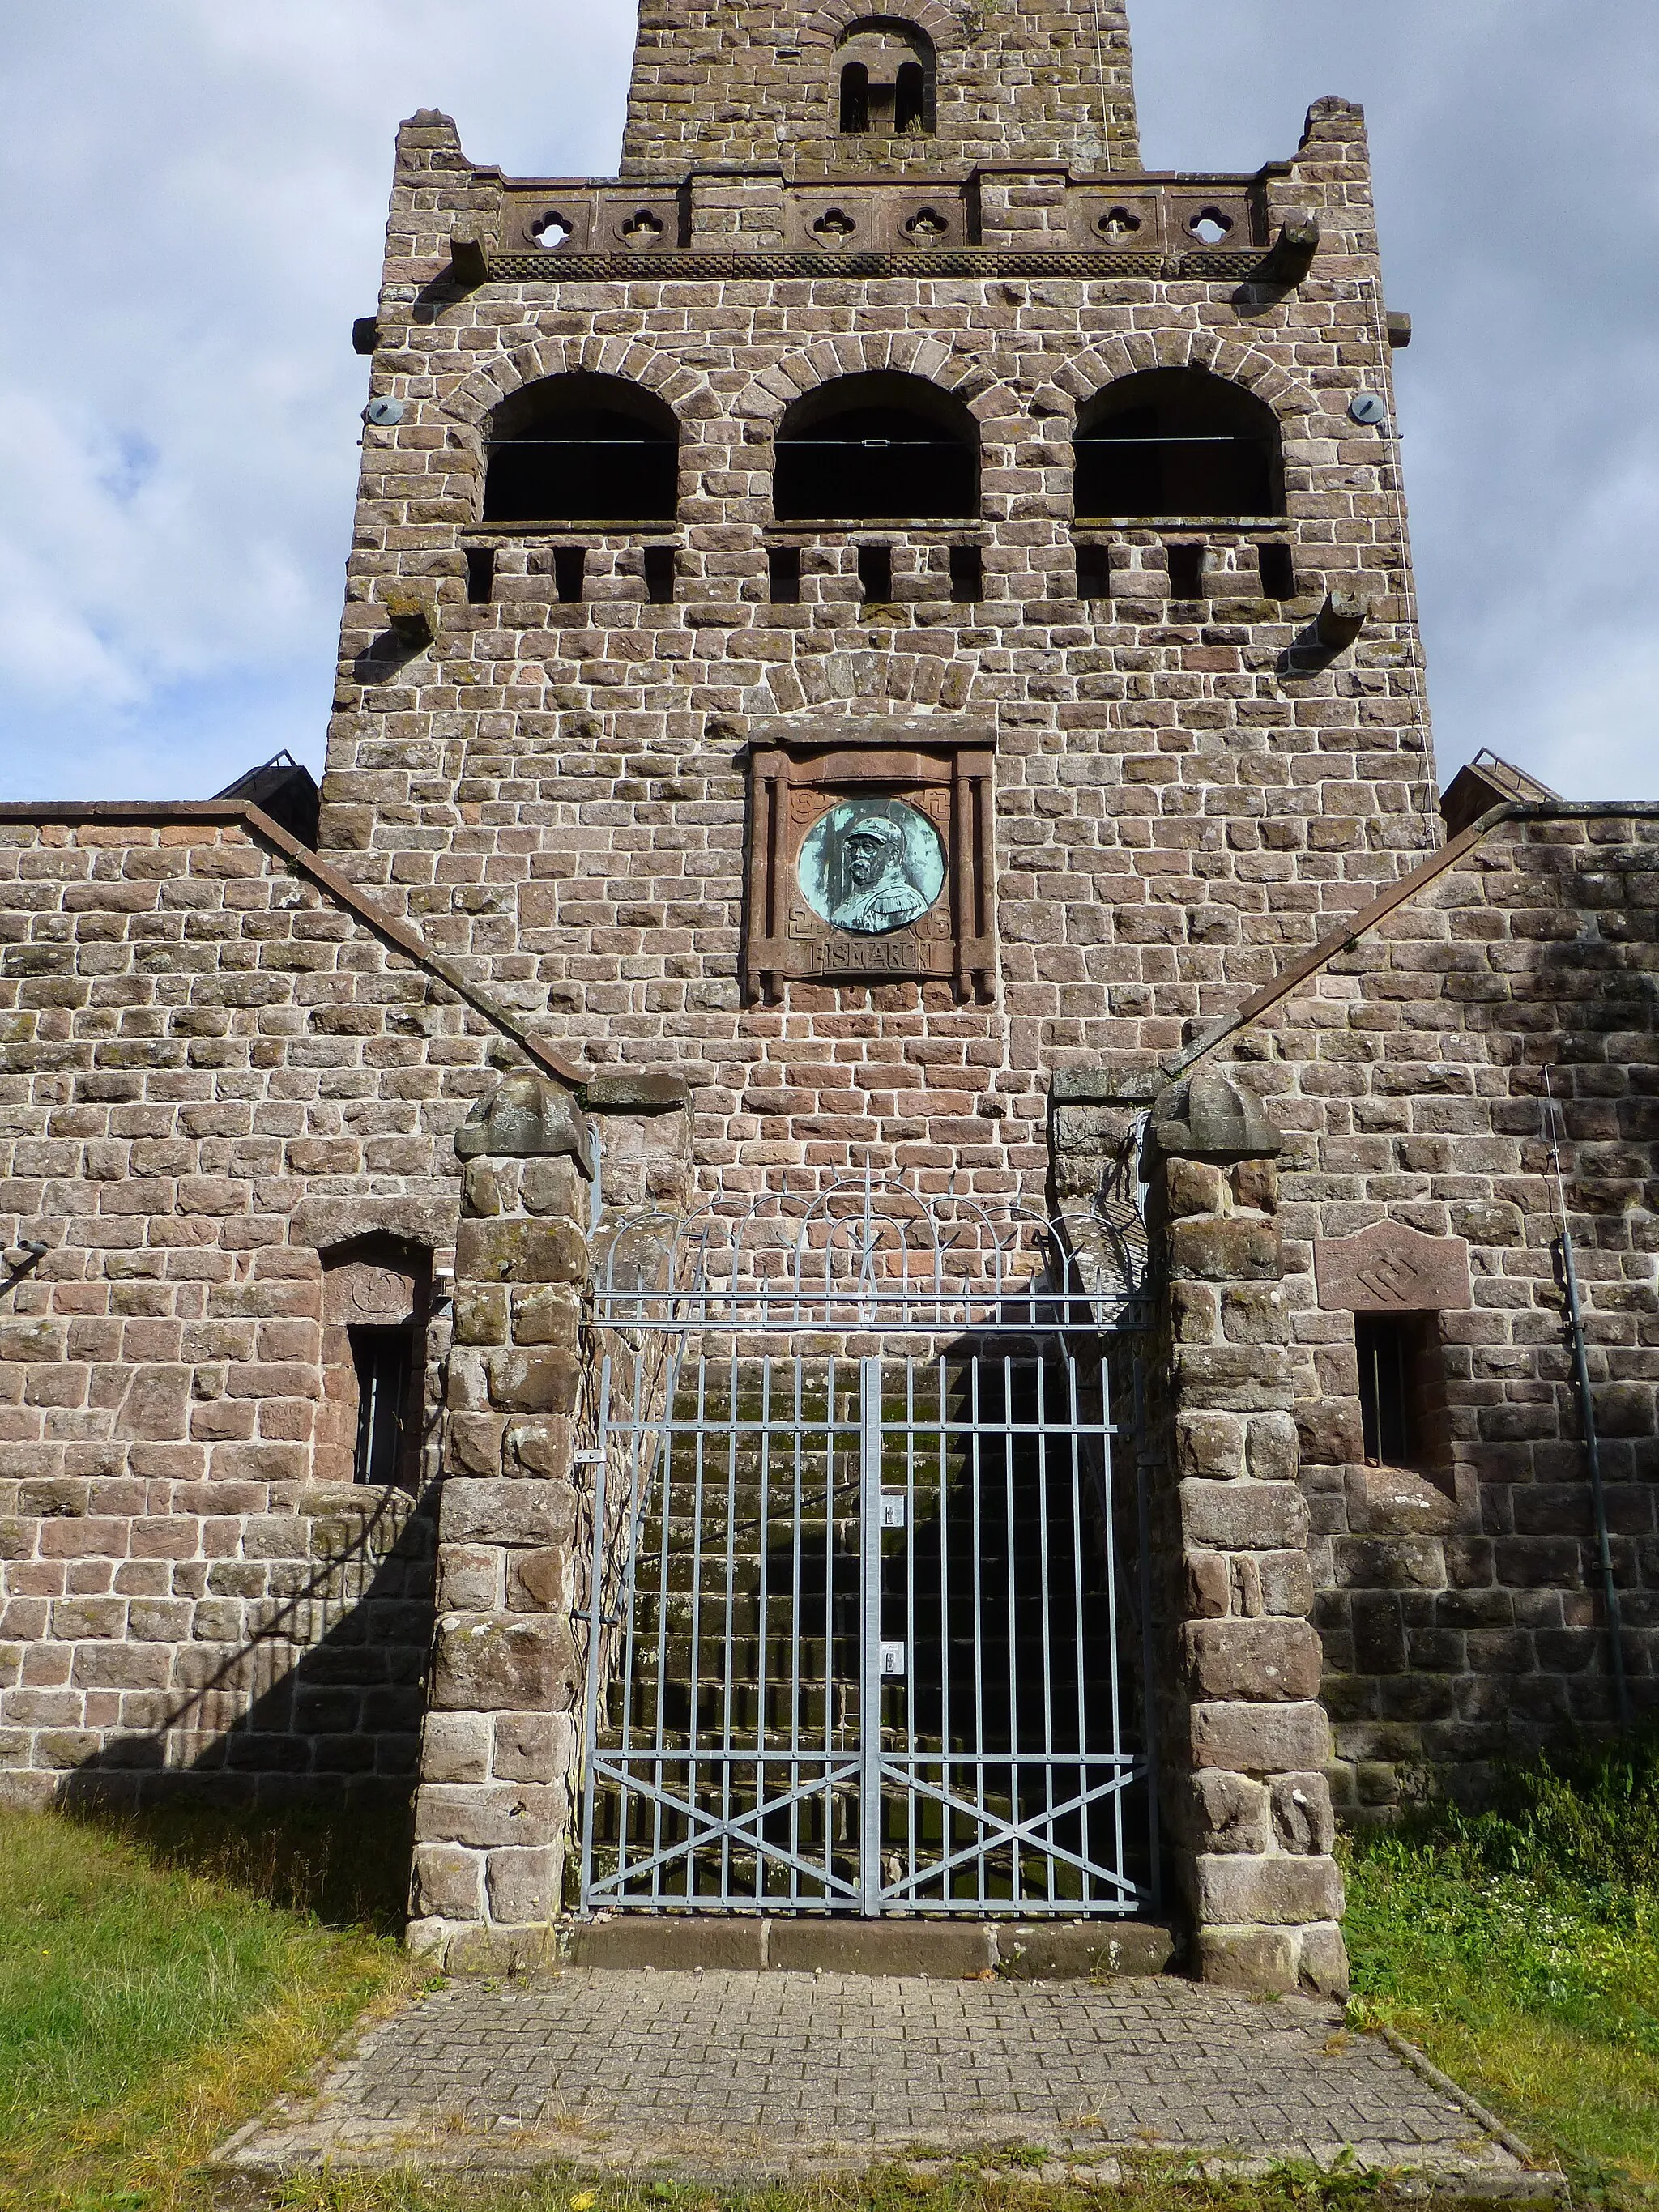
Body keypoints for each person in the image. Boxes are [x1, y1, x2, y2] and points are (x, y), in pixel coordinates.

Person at [828, 813, 929, 934]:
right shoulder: (857, 898)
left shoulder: (902, 899)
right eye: (853, 848)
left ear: (892, 857)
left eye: (868, 847)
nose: (857, 854)